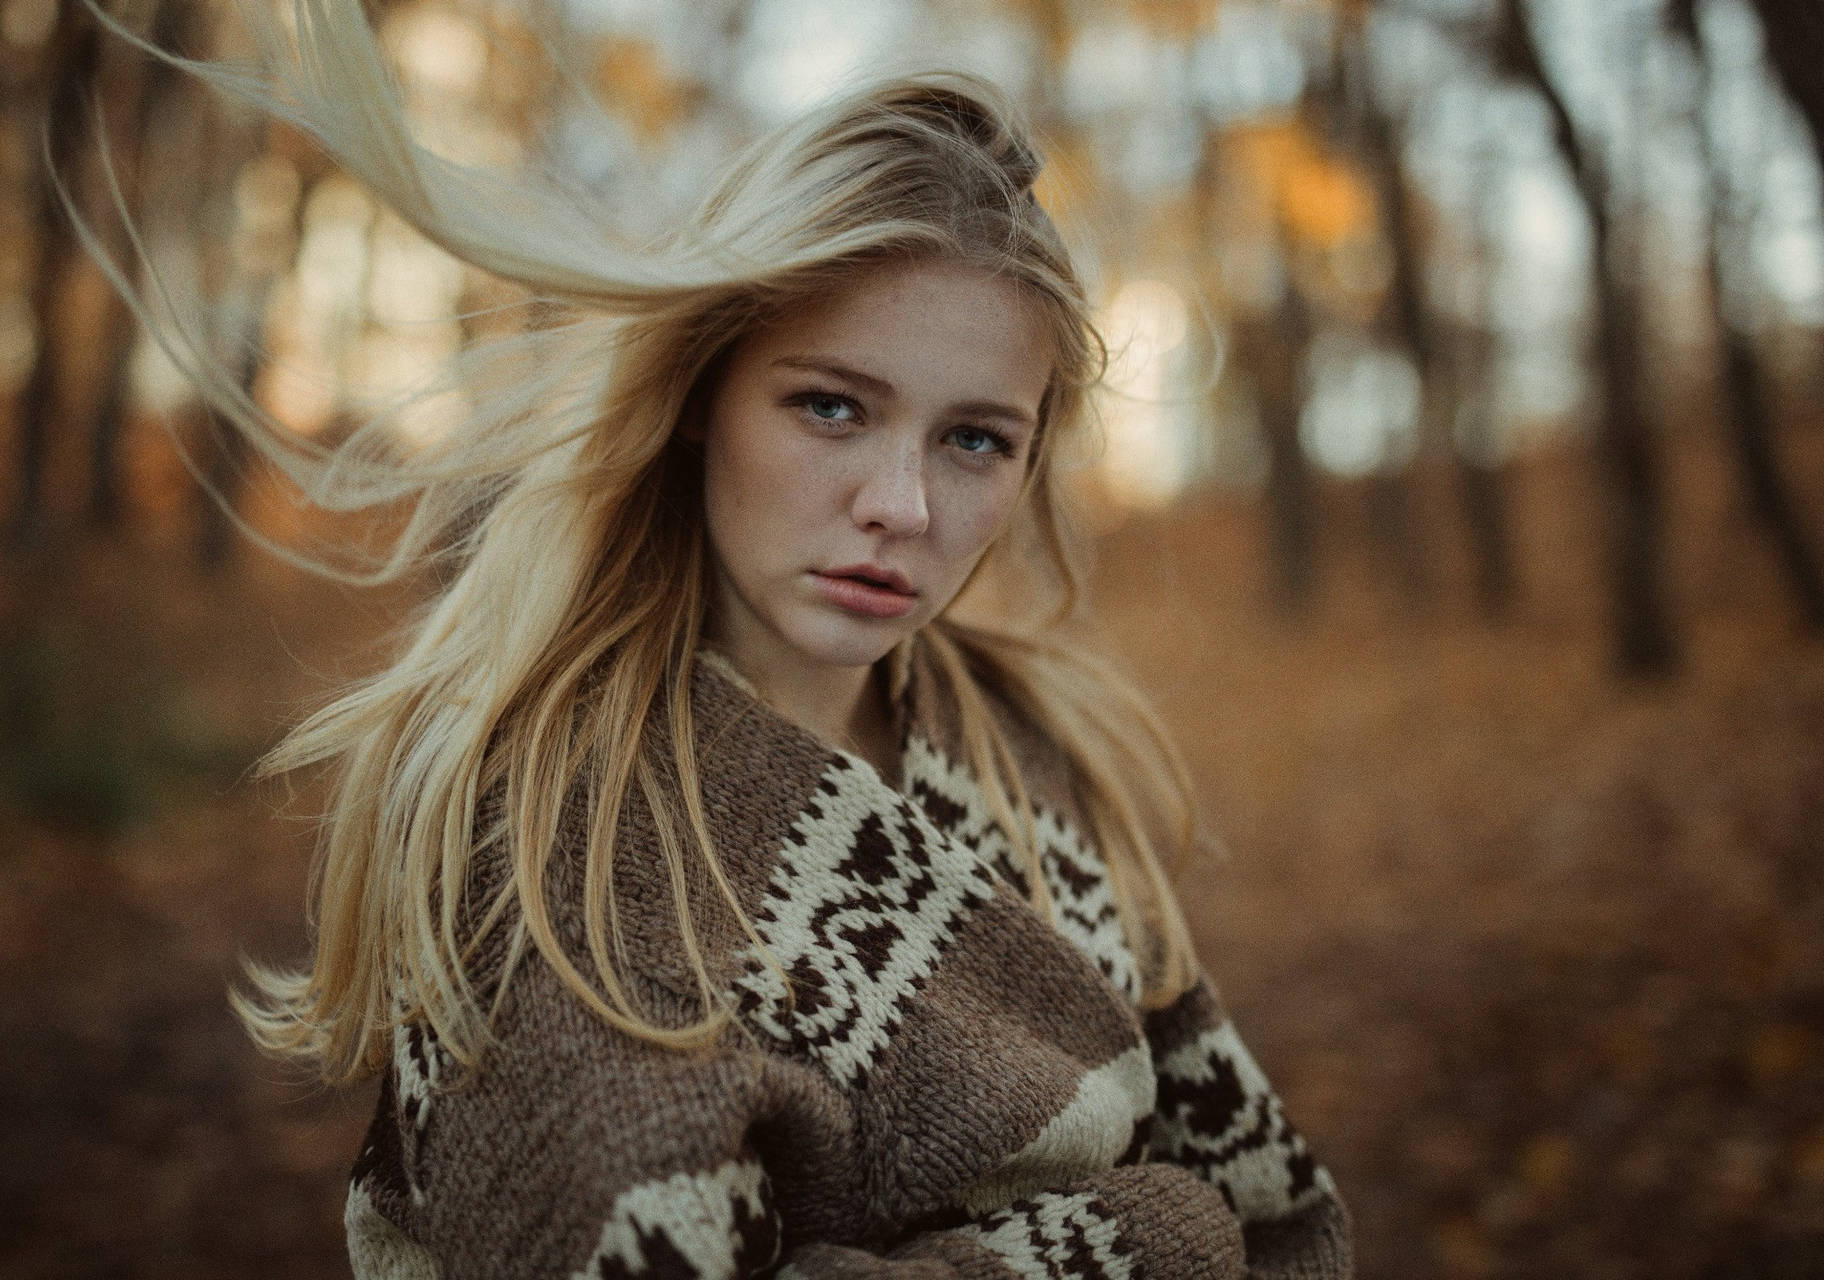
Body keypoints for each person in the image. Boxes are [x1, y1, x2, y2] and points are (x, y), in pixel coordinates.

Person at [97, 2, 1352, 1275]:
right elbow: (1206, 1221)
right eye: (829, 406)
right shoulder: (564, 840)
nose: (901, 506)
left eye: (975, 438)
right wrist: (1157, 1236)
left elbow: (1279, 1218)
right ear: (701, 394)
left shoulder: (1031, 742)